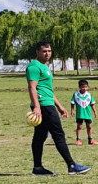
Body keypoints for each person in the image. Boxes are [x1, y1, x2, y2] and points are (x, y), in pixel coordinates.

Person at [27, 41, 88, 175]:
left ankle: (37, 168)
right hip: (44, 106)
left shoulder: (44, 67)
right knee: (58, 134)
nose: (47, 54)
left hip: (48, 103)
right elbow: (32, 87)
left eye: (49, 51)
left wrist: (59, 106)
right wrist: (36, 106)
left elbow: (48, 90)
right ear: (37, 52)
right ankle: (71, 165)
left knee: (40, 136)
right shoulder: (34, 67)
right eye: (44, 51)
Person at [70, 79, 98, 144]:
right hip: (80, 114)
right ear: (79, 87)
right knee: (79, 126)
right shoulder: (76, 94)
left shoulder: (89, 95)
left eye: (86, 87)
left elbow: (92, 104)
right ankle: (78, 139)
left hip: (87, 114)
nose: (84, 88)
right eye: (83, 87)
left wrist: (95, 112)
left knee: (89, 126)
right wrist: (72, 110)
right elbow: (72, 103)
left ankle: (90, 139)